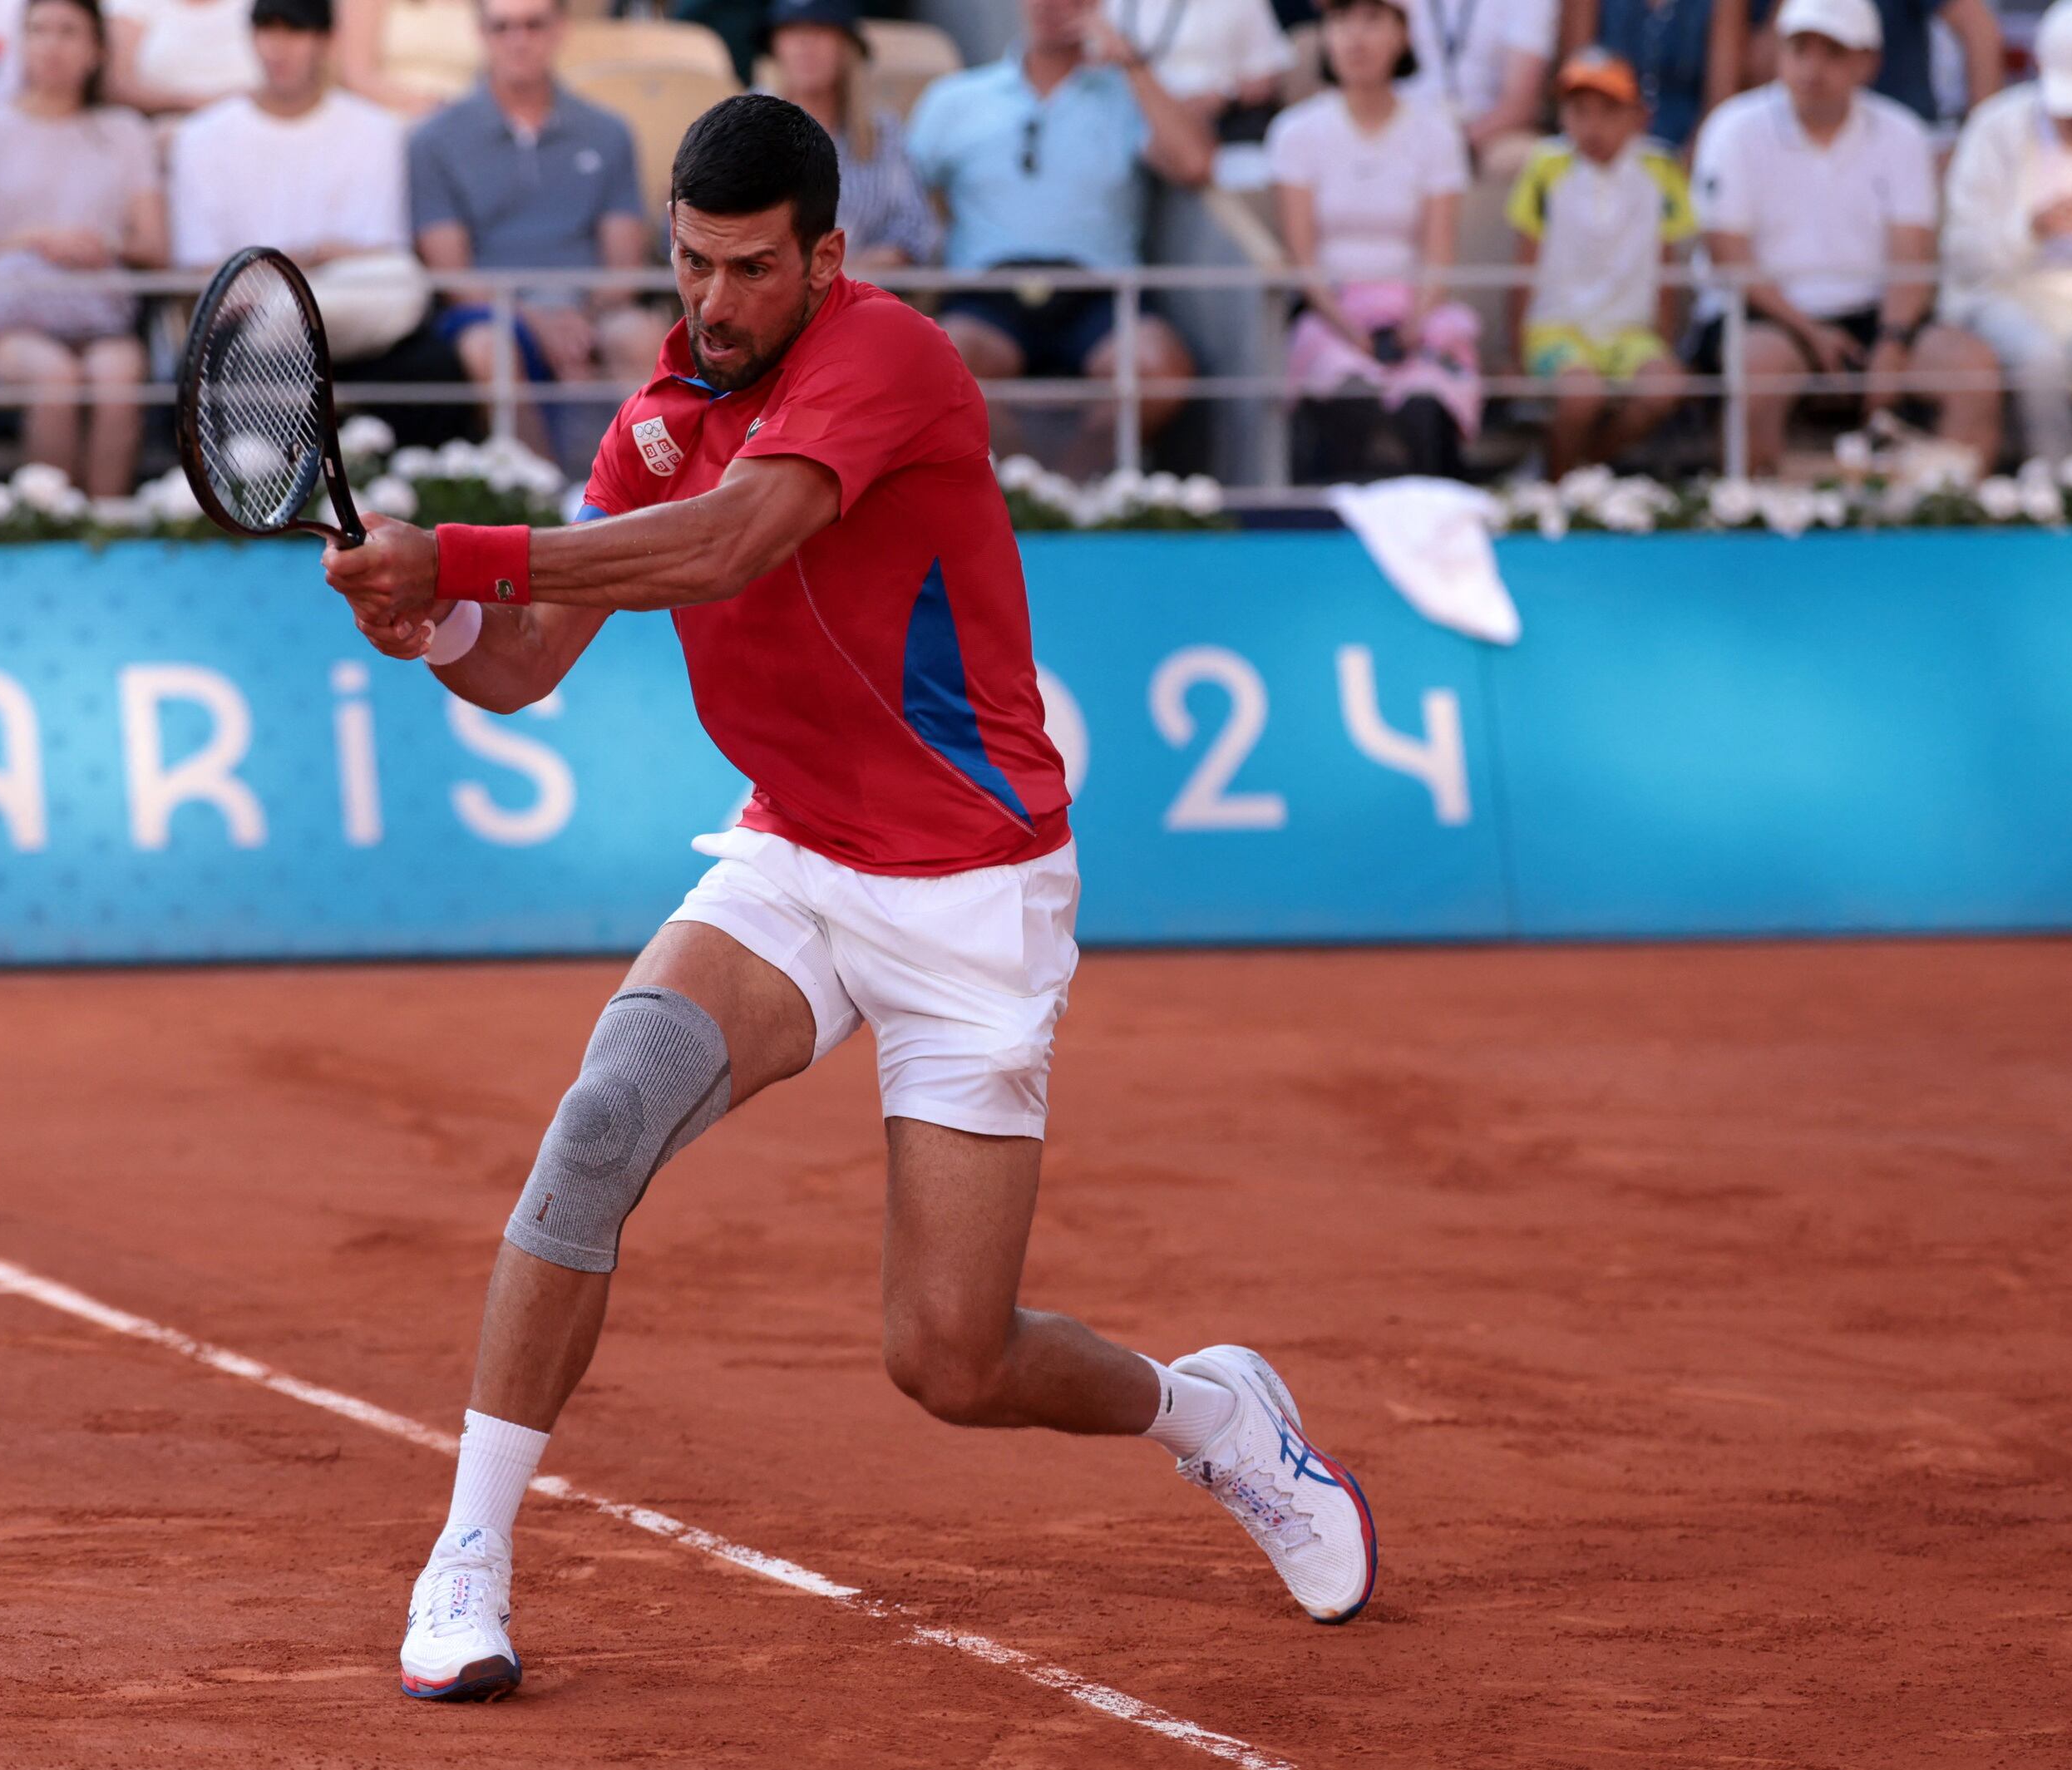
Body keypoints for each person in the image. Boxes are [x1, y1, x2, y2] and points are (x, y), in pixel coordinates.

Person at [320, 94, 1379, 1705]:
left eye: (750, 271)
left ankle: (1214, 1415)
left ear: (828, 256)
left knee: (951, 1356)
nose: (713, 303)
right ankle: (464, 1557)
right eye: (689, 266)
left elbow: (738, 544)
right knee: (601, 1120)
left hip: (972, 890)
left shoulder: (892, 361)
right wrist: (443, 629)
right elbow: (527, 668)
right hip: (794, 856)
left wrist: (456, 550)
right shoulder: (662, 407)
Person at [1690, 0, 2000, 475]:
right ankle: (1759, 528)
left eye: (1832, 51)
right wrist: (1811, 332)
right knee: (1758, 369)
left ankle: (1946, 519)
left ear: (1868, 62)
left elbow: (1910, 254)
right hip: (1769, 317)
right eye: (1800, 48)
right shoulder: (1733, 129)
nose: (1812, 67)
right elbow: (1728, 256)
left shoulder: (1903, 133)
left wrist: (1891, 343)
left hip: (1876, 319)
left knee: (1973, 371)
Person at [906, 0, 1210, 459]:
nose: (1052, 5)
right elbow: (904, 197)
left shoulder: (1128, 93)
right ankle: (1020, 495)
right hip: (987, 296)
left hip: (1101, 295)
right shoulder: (955, 98)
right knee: (939, 367)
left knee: (1160, 370)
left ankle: (1068, 489)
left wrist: (1131, 62)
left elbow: (1195, 163)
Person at [407, 0, 659, 449]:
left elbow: (624, 265)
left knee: (642, 336)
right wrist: (540, 325)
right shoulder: (433, 139)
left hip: (592, 309)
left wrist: (578, 322)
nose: (518, 41)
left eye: (533, 25)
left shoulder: (609, 131)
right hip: (492, 312)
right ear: (481, 33)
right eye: (502, 27)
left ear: (560, 29)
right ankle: (542, 501)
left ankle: (643, 502)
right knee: (489, 349)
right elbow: (455, 278)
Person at [0, 0, 166, 499]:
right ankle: (55, 526)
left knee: (117, 375)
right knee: (54, 375)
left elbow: (154, 246)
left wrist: (101, 245)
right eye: (39, 30)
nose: (52, 44)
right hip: (8, 330)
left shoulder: (126, 132)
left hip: (102, 320)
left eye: (69, 31)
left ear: (95, 51)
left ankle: (107, 530)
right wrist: (34, 240)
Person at [1267, 0, 1480, 479]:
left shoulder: (1436, 133)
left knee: (1424, 407)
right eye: (1342, 22)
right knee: (1351, 404)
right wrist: (1348, 328)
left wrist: (1414, 324)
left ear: (1402, 34)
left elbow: (1438, 252)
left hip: (1415, 316)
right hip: (1332, 316)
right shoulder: (1295, 132)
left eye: (1372, 21)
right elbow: (1302, 257)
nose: (1355, 38)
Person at [1508, 47, 1694, 472]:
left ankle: (1580, 471)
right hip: (1555, 331)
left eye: (1608, 110)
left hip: (1630, 334)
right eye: (1579, 110)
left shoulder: (1661, 170)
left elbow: (1666, 274)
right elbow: (1523, 268)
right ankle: (1555, 488)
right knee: (1581, 393)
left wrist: (1664, 343)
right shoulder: (1544, 167)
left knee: (1664, 388)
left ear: (1638, 116)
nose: (1592, 125)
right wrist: (1516, 353)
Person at [169, 0, 407, 274]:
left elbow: (383, 255)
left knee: (398, 279)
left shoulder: (377, 130)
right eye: (267, 30)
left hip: (350, 300)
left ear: (327, 41)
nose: (278, 48)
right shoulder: (201, 136)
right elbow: (199, 268)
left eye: (295, 30)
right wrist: (312, 258)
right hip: (245, 305)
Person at [1941, 0, 2072, 464]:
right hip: (2000, 293)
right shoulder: (1994, 128)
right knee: (2041, 361)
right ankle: (2057, 491)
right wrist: (2032, 229)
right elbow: (1965, 258)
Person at [762, 0, 940, 273]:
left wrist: (843, 272)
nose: (806, 45)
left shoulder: (881, 132)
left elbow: (917, 229)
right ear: (776, 45)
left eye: (821, 30)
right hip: (765, 295)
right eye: (793, 31)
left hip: (862, 293)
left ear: (846, 47)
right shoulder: (747, 125)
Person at [1745, 0, 2001, 126]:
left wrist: (1976, 139)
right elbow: (1768, 57)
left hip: (1908, 135)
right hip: (1803, 137)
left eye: (1834, 51)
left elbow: (1978, 30)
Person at [1556, 0, 1744, 152]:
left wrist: (1679, 170)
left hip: (1683, 153)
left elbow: (1720, 103)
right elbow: (1574, 77)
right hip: (1600, 145)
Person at [1403, 0, 1557, 170]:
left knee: (1521, 155)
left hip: (1482, 125)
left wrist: (1453, 145)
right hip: (1407, 119)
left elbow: (1521, 105)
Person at [1112, 0, 1295, 123]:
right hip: (1132, 127)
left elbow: (1270, 73)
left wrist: (1224, 97)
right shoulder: (1113, 6)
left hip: (1227, 126)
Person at [103, 0, 261, 112]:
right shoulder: (131, 6)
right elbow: (116, 86)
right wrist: (191, 103)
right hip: (159, 137)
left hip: (253, 131)